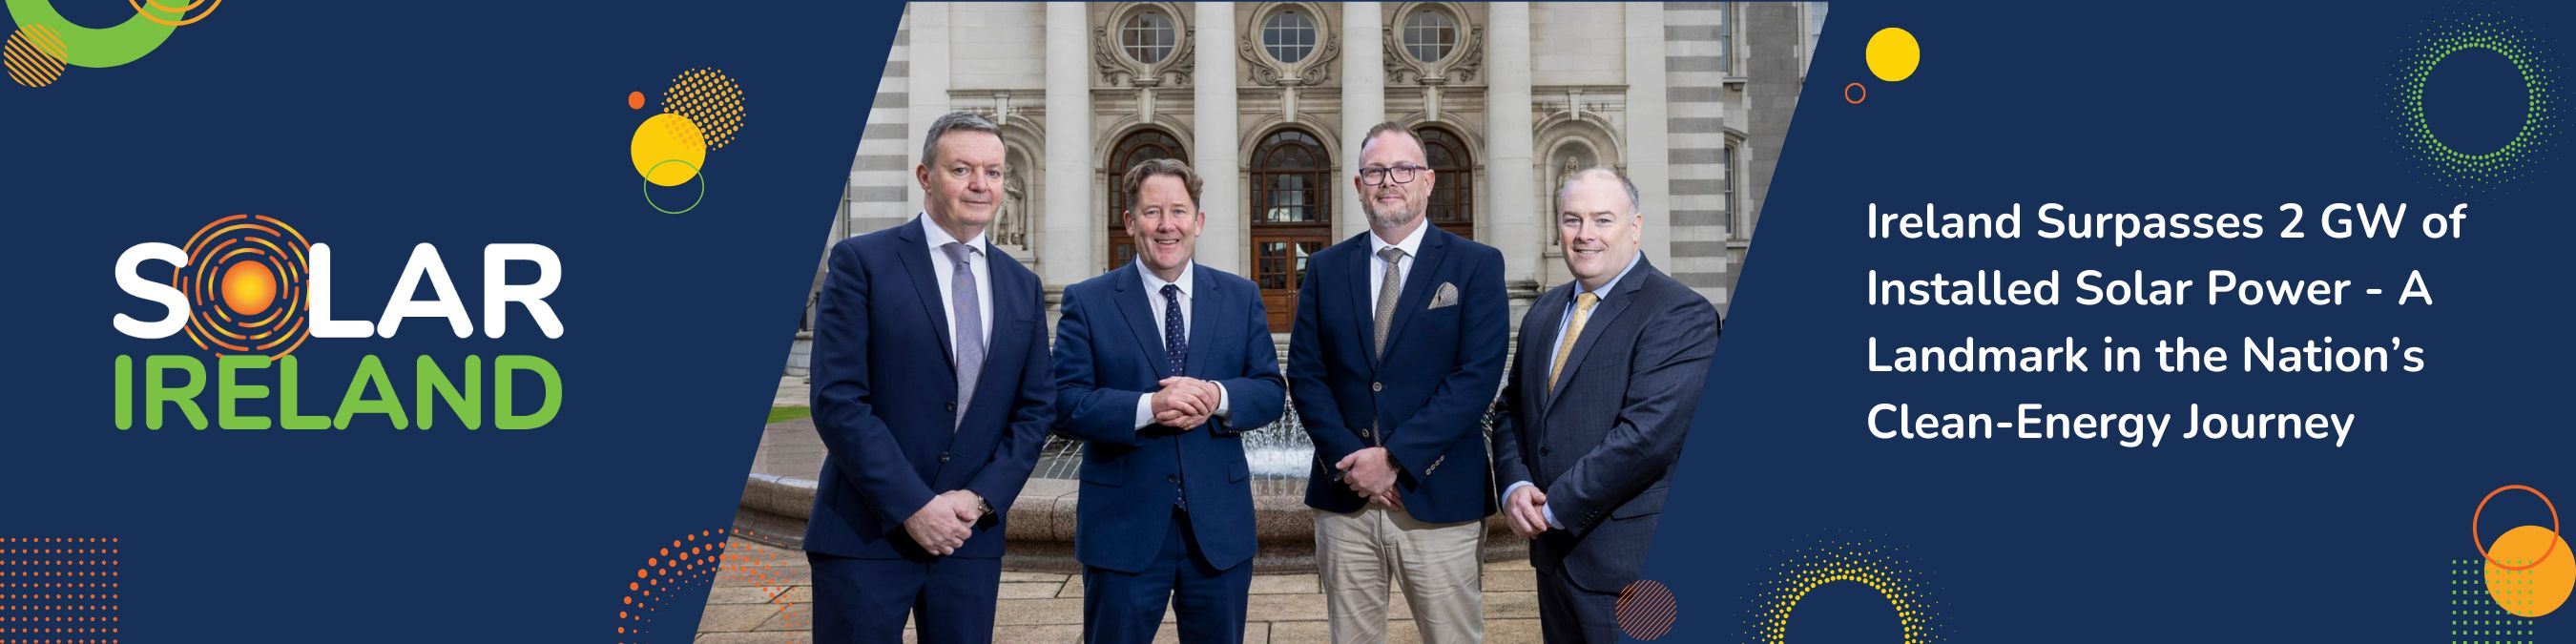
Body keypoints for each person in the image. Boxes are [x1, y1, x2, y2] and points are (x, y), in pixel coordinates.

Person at [805, 111, 1056, 644]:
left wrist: (980, 499)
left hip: (969, 540)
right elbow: (838, 401)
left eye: (992, 172)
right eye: (961, 169)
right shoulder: (861, 262)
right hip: (865, 536)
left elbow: (1035, 410)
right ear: (925, 176)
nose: (980, 185)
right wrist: (913, 506)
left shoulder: (1023, 286)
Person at [1288, 121, 1507, 644]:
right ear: (1359, 184)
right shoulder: (1323, 268)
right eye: (1374, 171)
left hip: (1438, 498)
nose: (1389, 181)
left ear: (1427, 181)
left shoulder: (1475, 265)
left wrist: (1394, 460)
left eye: (1403, 169)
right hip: (1347, 501)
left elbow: (1475, 378)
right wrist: (1354, 462)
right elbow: (1306, 374)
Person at [1051, 158, 1287, 644]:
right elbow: (1063, 402)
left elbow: (1269, 391)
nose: (1166, 225)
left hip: (1217, 534)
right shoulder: (1088, 301)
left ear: (1198, 222)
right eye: (1152, 211)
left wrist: (1217, 396)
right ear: (1130, 221)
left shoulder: (1240, 296)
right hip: (1123, 530)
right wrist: (1147, 409)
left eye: (1178, 211)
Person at [1489, 168, 1718, 644]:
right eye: (1572, 220)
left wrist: (1552, 509)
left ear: (1635, 226)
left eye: (1602, 220)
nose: (1584, 235)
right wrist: (1515, 484)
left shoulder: (1679, 312)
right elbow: (1513, 408)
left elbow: (1644, 440)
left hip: (1631, 569)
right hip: (1555, 567)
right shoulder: (1545, 312)